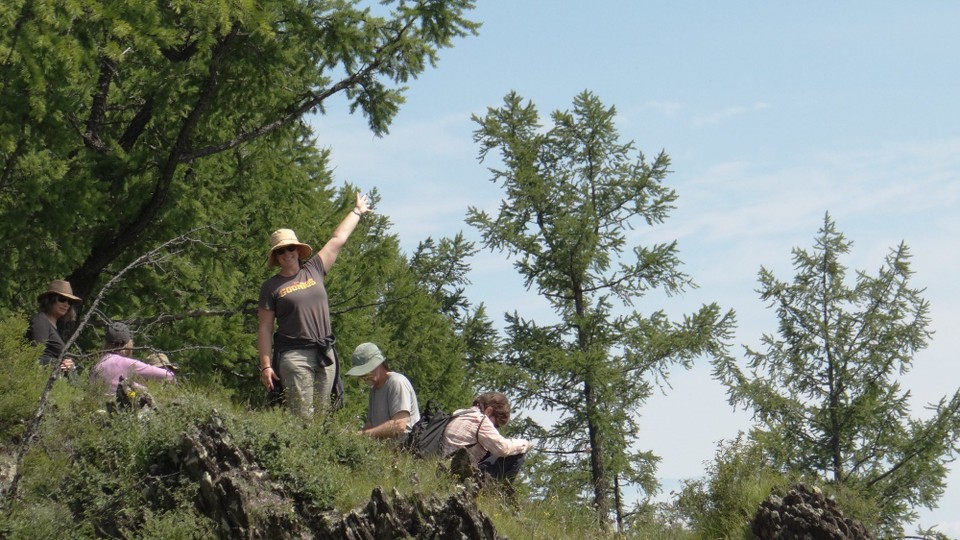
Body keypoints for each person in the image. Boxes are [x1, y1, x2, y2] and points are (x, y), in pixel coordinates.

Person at [257, 191, 371, 417]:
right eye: (280, 251)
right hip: (294, 355)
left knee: (320, 416)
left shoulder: (314, 269)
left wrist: (357, 211)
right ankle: (296, 451)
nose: (286, 253)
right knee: (303, 416)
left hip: (324, 351)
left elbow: (337, 240)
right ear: (276, 256)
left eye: (290, 248)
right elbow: (265, 329)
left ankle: (312, 451)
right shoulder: (271, 287)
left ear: (298, 250)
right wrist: (266, 365)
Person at [441, 391, 531, 484]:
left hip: (443, 463)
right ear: (489, 411)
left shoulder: (460, 412)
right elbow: (503, 448)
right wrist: (525, 444)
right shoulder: (481, 420)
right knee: (518, 453)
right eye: (496, 425)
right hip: (458, 471)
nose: (495, 429)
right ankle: (499, 493)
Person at [346, 342, 420, 440]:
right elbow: (371, 424)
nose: (364, 377)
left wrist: (361, 434)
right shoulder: (374, 389)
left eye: (366, 371)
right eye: (361, 374)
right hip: (386, 451)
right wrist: (352, 436)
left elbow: (399, 426)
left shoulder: (397, 382)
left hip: (406, 450)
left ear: (378, 364)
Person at [90, 322, 176, 397]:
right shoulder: (127, 363)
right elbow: (169, 375)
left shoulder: (98, 365)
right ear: (127, 344)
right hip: (121, 410)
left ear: (106, 342)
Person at [27, 279, 82, 375]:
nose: (66, 304)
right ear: (50, 300)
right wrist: (61, 364)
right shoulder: (41, 321)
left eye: (69, 302)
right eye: (62, 299)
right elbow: (36, 355)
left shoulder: (56, 326)